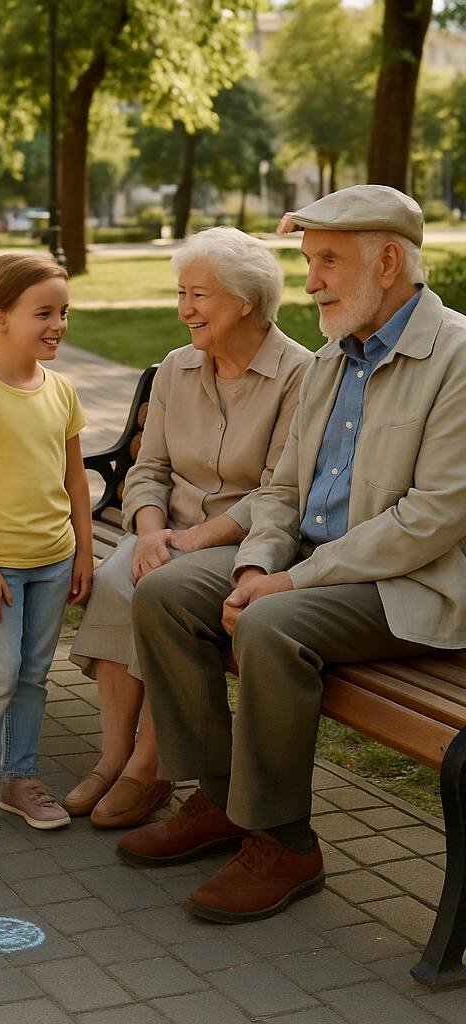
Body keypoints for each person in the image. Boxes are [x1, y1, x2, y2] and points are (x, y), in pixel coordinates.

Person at [118, 185, 466, 923]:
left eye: (327, 262)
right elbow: (281, 489)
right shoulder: (336, 359)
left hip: (411, 583)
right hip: (311, 562)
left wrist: (290, 581)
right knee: (168, 592)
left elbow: (430, 521)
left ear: (390, 262)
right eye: (308, 261)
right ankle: (221, 799)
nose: (308, 282)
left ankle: (284, 842)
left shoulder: (457, 358)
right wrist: (253, 566)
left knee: (273, 627)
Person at [63, 228, 311, 828]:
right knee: (120, 574)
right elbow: (148, 469)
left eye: (198, 295)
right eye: (181, 293)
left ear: (245, 301)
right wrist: (148, 531)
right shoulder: (177, 368)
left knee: (156, 589)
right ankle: (116, 755)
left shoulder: (299, 375)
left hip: (247, 542)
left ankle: (152, 768)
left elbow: (281, 491)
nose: (184, 309)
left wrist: (191, 541)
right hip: (167, 531)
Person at [0, 252, 93, 840]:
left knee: (34, 675)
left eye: (63, 313)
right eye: (44, 313)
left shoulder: (62, 392)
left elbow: (76, 480)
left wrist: (83, 552)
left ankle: (19, 779)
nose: (57, 324)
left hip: (54, 562)